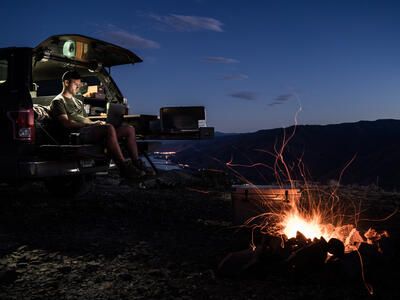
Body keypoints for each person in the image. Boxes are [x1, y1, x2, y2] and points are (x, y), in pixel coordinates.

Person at [50, 70, 151, 181]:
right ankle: (123, 167)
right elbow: (67, 123)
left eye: (79, 85)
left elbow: (86, 119)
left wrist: (97, 123)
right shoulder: (58, 101)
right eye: (76, 85)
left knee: (129, 129)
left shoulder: (77, 102)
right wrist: (92, 124)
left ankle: (137, 163)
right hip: (77, 134)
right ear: (66, 83)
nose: (78, 88)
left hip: (88, 129)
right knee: (108, 128)